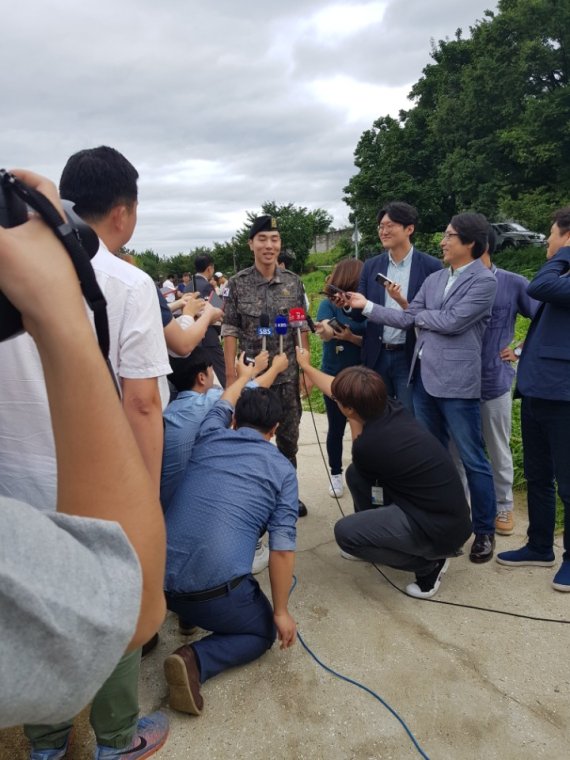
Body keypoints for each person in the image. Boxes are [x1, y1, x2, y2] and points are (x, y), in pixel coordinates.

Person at [0, 147, 171, 759]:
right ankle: (116, 740)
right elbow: (145, 404)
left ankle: (45, 743)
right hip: (99, 490)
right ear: (123, 213)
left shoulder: (6, 270)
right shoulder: (128, 282)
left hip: (12, 490)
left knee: (30, 614)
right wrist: (146, 501)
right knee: (115, 606)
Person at [347, 212, 498, 564]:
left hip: (458, 384)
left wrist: (421, 317)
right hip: (424, 378)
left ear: (470, 243)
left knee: (473, 457)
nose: (443, 242)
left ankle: (485, 529)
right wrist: (366, 305)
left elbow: (454, 320)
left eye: (449, 236)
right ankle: (442, 524)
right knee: (434, 456)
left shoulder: (484, 281)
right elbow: (406, 316)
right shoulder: (436, 279)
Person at [162, 356, 298, 714]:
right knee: (259, 632)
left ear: (235, 421)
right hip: (212, 594)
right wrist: (281, 611)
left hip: (158, 585)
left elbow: (223, 401)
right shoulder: (282, 471)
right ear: (275, 430)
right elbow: (282, 549)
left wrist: (244, 376)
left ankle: (180, 621)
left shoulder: (209, 434)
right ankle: (195, 660)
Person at [295, 350, 472, 598]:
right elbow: (335, 389)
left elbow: (359, 448)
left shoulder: (372, 444)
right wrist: (306, 366)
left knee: (346, 535)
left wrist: (351, 417)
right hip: (441, 510)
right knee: (356, 476)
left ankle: (429, 564)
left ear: (350, 409)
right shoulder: (387, 406)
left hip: (438, 528)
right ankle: (380, 536)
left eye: (341, 403)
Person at [497, 207, 570, 591]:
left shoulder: (559, 269)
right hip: (539, 388)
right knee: (540, 475)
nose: (547, 242)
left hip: (564, 395)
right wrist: (524, 348)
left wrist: (566, 253)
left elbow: (537, 288)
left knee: (569, 482)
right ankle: (540, 545)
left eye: (552, 235)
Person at [222, 214, 310, 517]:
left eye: (274, 239)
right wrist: (230, 376)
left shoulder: (293, 282)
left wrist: (306, 369)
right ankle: (252, 498)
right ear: (251, 244)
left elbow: (301, 327)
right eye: (262, 239)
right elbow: (229, 329)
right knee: (249, 440)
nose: (269, 245)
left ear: (279, 244)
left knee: (289, 440)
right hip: (252, 380)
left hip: (286, 377)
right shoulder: (237, 284)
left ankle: (288, 496)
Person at [352, 201, 442, 412]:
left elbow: (433, 315)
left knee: (409, 416)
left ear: (409, 229)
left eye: (390, 225)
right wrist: (348, 305)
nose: (383, 231)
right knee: (376, 414)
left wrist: (403, 302)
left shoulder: (431, 266)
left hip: (410, 355)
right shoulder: (371, 265)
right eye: (381, 227)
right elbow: (358, 315)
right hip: (377, 354)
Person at [478, 226, 538, 535]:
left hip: (494, 380)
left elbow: (545, 319)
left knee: (498, 447)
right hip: (455, 384)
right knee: (457, 450)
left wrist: (517, 349)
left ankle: (504, 507)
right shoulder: (452, 283)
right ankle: (467, 505)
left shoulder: (512, 283)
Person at [315, 258, 366, 497]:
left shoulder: (364, 303)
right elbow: (324, 329)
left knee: (365, 428)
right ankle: (336, 473)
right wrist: (327, 331)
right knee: (336, 427)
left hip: (364, 374)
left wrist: (350, 338)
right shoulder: (329, 304)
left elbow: (376, 336)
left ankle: (364, 470)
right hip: (334, 373)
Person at [191, 253, 227, 386]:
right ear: (209, 268)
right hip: (208, 336)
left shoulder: (188, 285)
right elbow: (219, 308)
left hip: (190, 335)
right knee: (220, 372)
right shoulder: (207, 286)